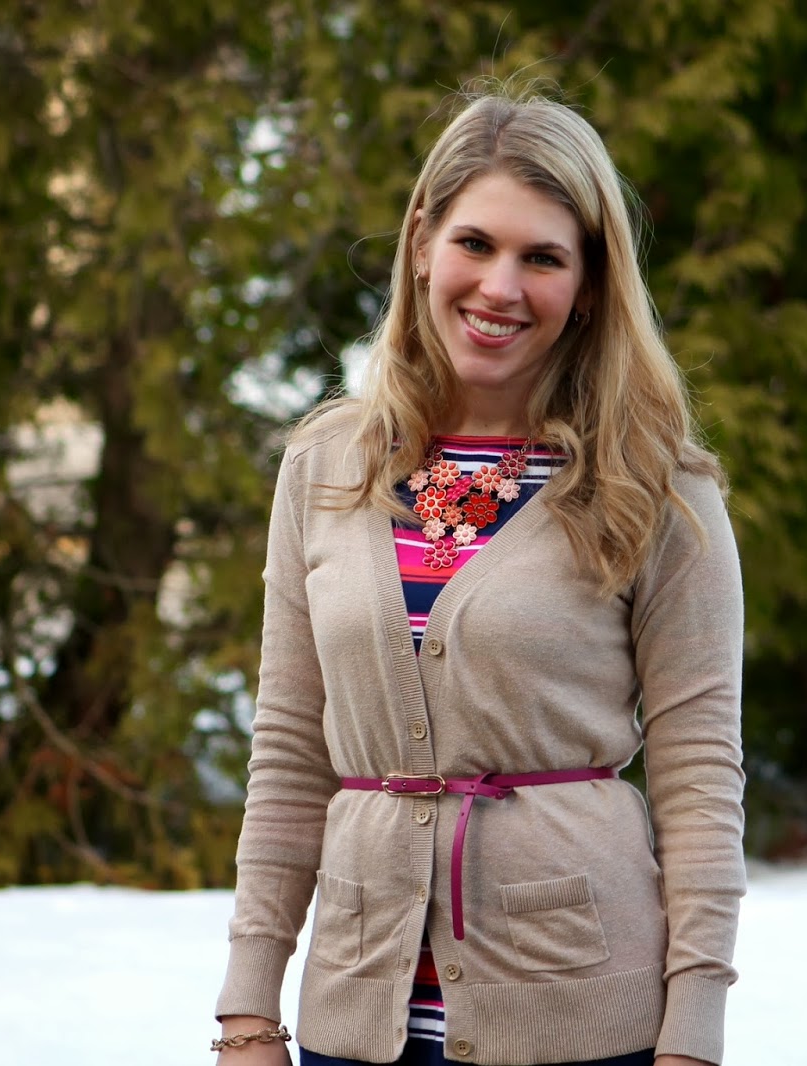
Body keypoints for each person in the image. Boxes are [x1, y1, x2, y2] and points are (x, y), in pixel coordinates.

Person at [212, 87, 746, 1066]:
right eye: (475, 243)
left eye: (541, 257)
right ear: (421, 242)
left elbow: (699, 776)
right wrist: (248, 1007)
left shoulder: (656, 486)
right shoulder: (325, 464)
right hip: (353, 1026)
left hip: (581, 1028)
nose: (499, 286)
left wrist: (694, 1035)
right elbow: (289, 749)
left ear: (588, 285)